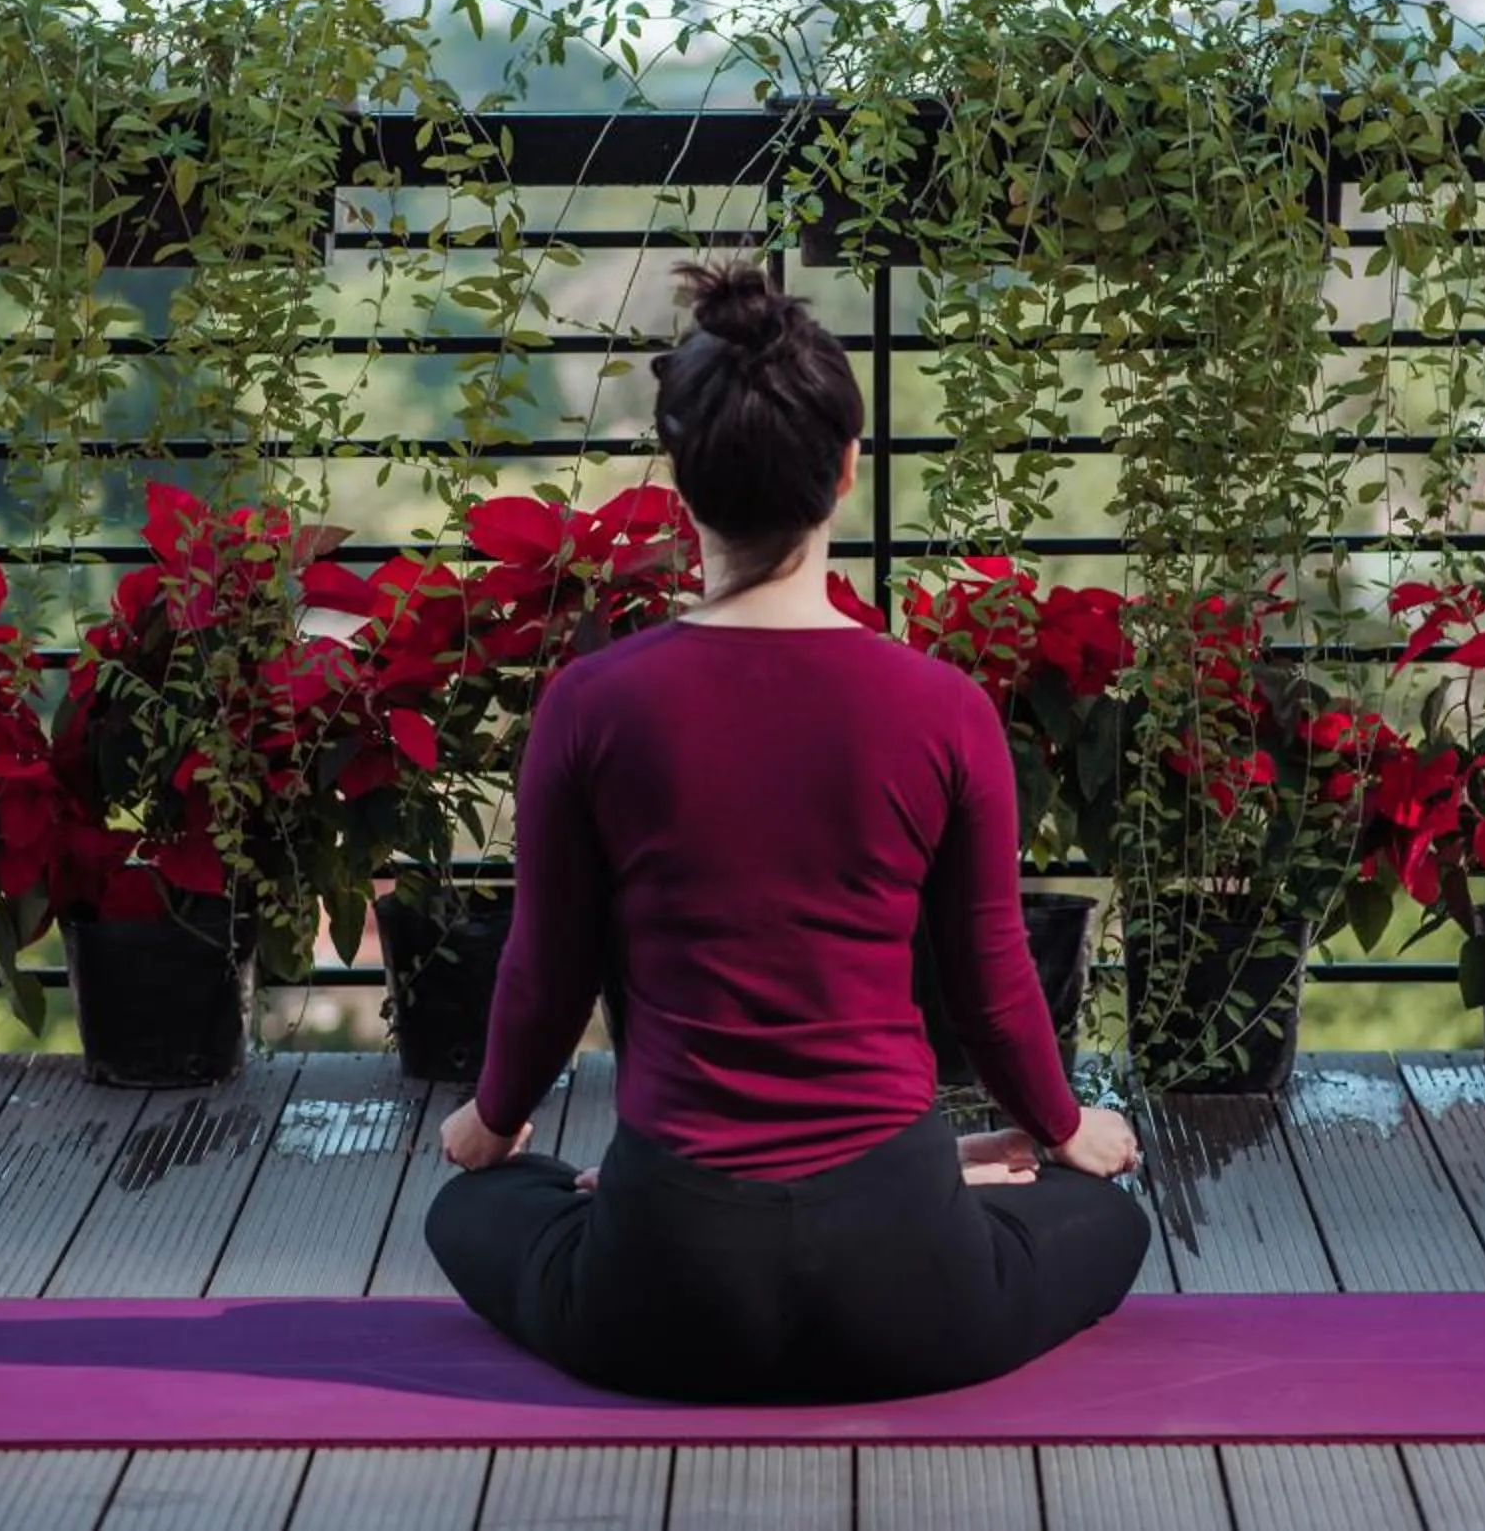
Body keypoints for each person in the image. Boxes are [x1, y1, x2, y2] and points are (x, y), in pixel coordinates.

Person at [424, 259, 1150, 1405]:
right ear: (847, 470)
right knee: (1105, 1219)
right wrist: (1063, 1127)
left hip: (667, 1288)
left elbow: (547, 967)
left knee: (473, 1203)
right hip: (909, 1283)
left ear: (682, 477)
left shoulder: (592, 704)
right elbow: (992, 980)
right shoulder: (945, 709)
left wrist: (492, 1120)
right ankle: (949, 1182)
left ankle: (640, 1195)